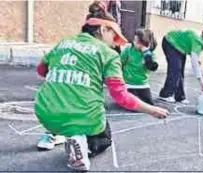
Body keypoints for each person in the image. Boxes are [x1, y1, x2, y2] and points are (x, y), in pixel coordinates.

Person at [34, 2, 168, 171]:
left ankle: (62, 134)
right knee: (104, 138)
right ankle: (84, 146)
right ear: (104, 29)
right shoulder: (107, 54)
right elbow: (121, 96)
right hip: (82, 115)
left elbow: (40, 70)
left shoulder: (63, 43)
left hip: (45, 112)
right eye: (114, 37)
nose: (114, 44)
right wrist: (152, 110)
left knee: (68, 107)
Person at [159, 29, 203, 103]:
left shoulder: (199, 42)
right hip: (170, 42)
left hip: (179, 48)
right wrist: (201, 81)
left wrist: (196, 60)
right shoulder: (198, 42)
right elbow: (194, 64)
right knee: (175, 70)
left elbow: (194, 56)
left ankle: (180, 97)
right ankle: (165, 95)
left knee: (180, 72)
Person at [120, 28, 158, 105]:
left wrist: (146, 54)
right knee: (129, 104)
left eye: (137, 42)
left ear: (144, 43)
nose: (134, 43)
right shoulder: (129, 49)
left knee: (148, 104)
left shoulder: (150, 53)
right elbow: (119, 63)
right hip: (127, 84)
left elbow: (152, 67)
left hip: (142, 84)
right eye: (134, 40)